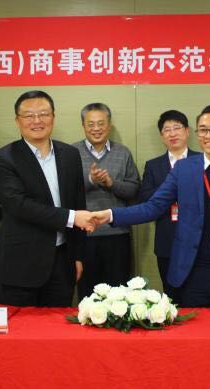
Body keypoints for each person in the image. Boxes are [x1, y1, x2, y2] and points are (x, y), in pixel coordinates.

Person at [84, 105, 210, 308]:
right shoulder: (184, 168)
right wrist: (110, 215)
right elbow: (153, 207)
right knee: (193, 327)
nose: (208, 135)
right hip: (192, 272)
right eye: (203, 130)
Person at [0, 90, 91, 307]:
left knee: (57, 325)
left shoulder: (70, 154)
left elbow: (78, 202)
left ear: (53, 117)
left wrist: (78, 256)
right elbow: (19, 205)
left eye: (44, 114)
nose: (37, 121)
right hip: (22, 264)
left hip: (63, 262)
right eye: (29, 115)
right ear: (17, 121)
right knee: (22, 326)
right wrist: (71, 217)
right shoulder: (3, 158)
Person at [72, 103, 140, 298]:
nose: (96, 128)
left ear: (109, 125)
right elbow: (65, 191)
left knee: (119, 294)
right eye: (91, 124)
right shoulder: (70, 152)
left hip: (117, 234)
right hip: (83, 235)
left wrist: (111, 183)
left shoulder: (123, 152)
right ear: (83, 125)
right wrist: (90, 180)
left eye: (101, 123)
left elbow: (134, 189)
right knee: (88, 294)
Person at [139, 110, 201, 300]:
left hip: (198, 239)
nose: (172, 133)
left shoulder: (202, 160)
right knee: (171, 296)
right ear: (161, 136)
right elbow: (146, 197)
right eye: (167, 130)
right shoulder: (153, 165)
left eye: (177, 128)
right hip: (167, 238)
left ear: (187, 131)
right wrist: (174, 189)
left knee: (198, 294)